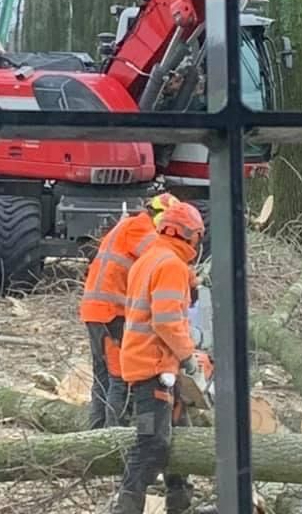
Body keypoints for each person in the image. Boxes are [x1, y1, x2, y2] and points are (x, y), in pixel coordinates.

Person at [110, 201, 205, 514]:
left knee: (181, 436)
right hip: (153, 365)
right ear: (190, 237)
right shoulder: (171, 266)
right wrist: (188, 355)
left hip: (157, 363)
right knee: (152, 441)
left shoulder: (149, 258)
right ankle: (127, 506)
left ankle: (180, 502)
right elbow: (166, 320)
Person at [79, 192, 179, 429]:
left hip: (96, 309)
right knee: (119, 377)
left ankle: (95, 433)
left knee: (102, 377)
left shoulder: (126, 226)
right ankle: (113, 437)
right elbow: (163, 260)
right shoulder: (142, 230)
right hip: (111, 312)